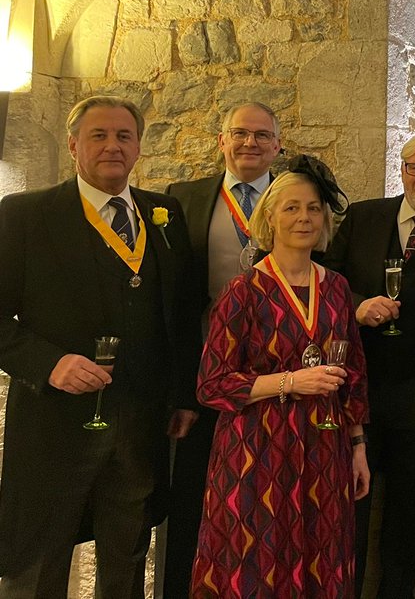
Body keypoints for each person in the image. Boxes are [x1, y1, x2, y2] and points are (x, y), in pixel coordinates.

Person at [0, 95, 199, 598]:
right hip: (55, 424)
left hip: (139, 422)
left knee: (127, 554)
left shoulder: (164, 212)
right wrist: (50, 364)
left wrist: (181, 396)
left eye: (123, 136)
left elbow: (175, 314)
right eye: (99, 135)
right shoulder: (26, 215)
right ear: (73, 145)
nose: (113, 146)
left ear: (138, 148)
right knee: (41, 559)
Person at [190, 155, 369, 597]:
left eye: (312, 208)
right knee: (254, 562)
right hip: (255, 450)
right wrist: (291, 382)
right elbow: (212, 384)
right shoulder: (243, 291)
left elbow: (355, 376)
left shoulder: (337, 288)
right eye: (291, 207)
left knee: (321, 556)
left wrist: (359, 445)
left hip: (325, 448)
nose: (303, 218)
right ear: (269, 216)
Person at [324, 129, 415, 599]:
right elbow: (326, 285)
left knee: (408, 519)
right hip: (353, 392)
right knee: (346, 513)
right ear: (401, 170)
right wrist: (358, 306)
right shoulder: (363, 217)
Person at [162, 100, 283, 595]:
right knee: (190, 497)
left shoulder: (296, 198)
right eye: (239, 133)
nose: (249, 143)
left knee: (266, 500)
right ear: (221, 142)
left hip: (275, 374)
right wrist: (178, 391)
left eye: (260, 135)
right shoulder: (182, 198)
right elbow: (170, 299)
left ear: (277, 146)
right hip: (202, 374)